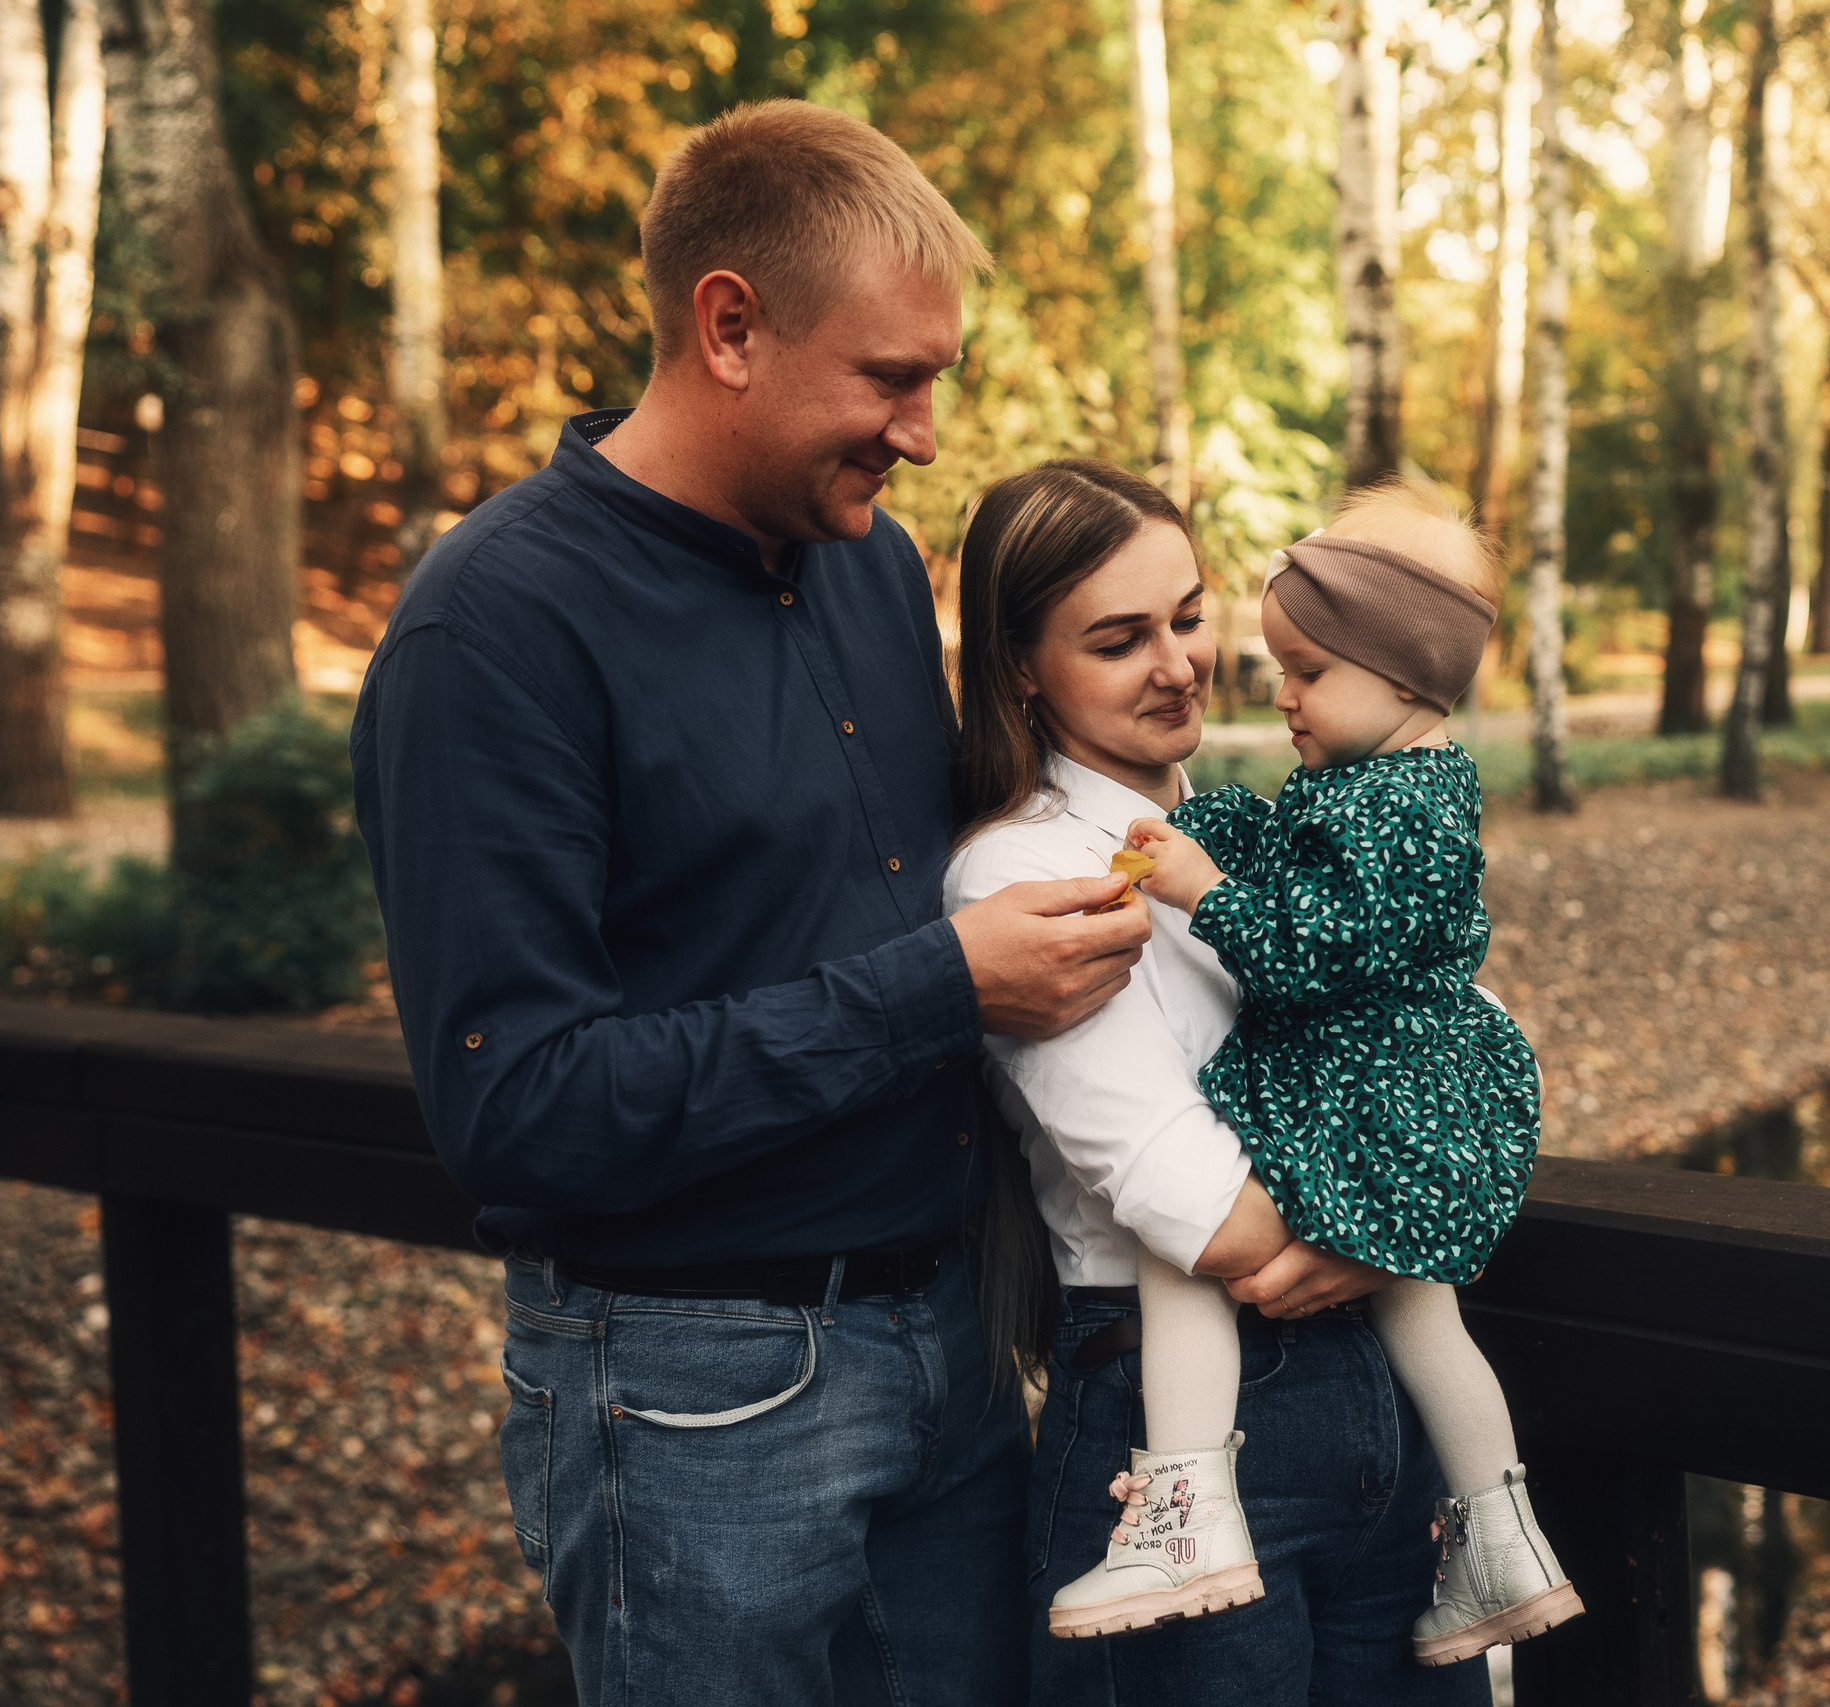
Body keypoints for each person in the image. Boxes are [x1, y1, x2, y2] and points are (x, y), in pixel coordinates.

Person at [351, 103, 1155, 1706]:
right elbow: (518, 1109)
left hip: (954, 1344)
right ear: (728, 325)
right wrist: (945, 985)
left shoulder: (869, 562)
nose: (924, 432)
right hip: (695, 1397)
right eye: (890, 379)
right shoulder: (493, 634)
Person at [941, 459, 1496, 1705]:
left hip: (1376, 1404)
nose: (1180, 662)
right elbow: (1200, 1207)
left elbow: (1458, 1029)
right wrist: (1402, 1211)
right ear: (1023, 666)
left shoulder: (1254, 832)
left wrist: (1409, 1186)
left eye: (1189, 616)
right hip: (1164, 1416)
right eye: (1119, 637)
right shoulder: (1026, 873)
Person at [1100, 480, 1581, 1665]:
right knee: (1425, 1317)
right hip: (1406, 1090)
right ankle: (1500, 1539)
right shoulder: (1400, 789)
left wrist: (1202, 889)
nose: (1281, 692)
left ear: (1406, 678)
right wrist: (1220, 832)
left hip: (1358, 1089)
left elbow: (1314, 948)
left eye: (1307, 672)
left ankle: (1186, 1502)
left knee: (1174, 1256)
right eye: (1278, 664)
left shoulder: (1387, 813)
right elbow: (1292, 840)